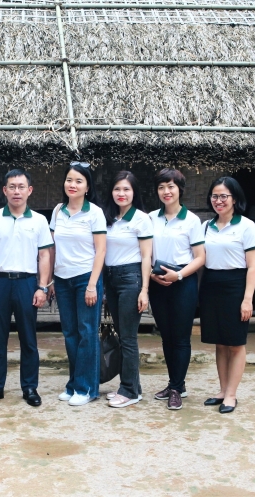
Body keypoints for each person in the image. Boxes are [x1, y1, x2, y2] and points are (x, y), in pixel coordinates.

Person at [0, 169, 54, 407]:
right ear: (5, 190)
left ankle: (29, 387)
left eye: (21, 187)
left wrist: (42, 287)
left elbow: (45, 255)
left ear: (29, 190)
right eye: (12, 187)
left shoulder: (39, 221)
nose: (16, 191)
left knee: (28, 339)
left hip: (27, 283)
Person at [200, 176, 255, 414]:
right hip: (211, 284)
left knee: (235, 343)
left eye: (224, 196)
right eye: (215, 196)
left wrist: (247, 299)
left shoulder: (246, 226)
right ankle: (223, 390)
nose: (219, 201)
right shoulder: (206, 226)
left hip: (235, 286)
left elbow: (253, 266)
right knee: (220, 342)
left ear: (235, 199)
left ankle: (232, 395)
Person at [147, 168, 206, 411]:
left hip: (183, 281)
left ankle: (176, 388)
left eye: (171, 186)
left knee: (181, 337)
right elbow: (145, 253)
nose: (166, 191)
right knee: (166, 336)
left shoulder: (191, 220)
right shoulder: (151, 218)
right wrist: (151, 274)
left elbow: (200, 257)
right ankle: (176, 384)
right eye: (161, 187)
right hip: (158, 281)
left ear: (180, 189)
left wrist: (179, 275)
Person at [49, 162, 106, 406]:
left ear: (87, 187)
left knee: (87, 332)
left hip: (86, 278)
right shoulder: (58, 210)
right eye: (69, 180)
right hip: (62, 279)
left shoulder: (95, 213)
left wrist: (92, 285)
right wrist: (51, 279)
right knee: (70, 333)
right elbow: (52, 248)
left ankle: (87, 388)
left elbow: (101, 250)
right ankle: (74, 383)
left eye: (79, 181)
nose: (73, 185)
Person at [102, 171, 154, 408]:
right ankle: (134, 386)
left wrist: (144, 289)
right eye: (117, 189)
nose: (121, 194)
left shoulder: (141, 219)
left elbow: (146, 256)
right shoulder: (109, 218)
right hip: (111, 278)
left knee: (128, 338)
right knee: (122, 335)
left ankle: (129, 391)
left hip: (131, 278)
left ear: (134, 192)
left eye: (126, 189)